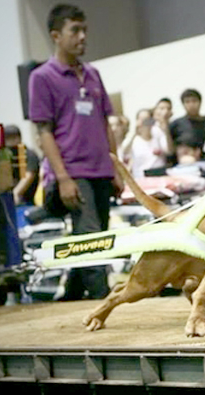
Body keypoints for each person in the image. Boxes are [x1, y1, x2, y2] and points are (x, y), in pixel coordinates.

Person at [28, 4, 122, 301]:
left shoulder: (93, 74)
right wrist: (63, 178)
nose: (82, 37)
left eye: (85, 30)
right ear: (56, 35)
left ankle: (69, 298)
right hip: (73, 173)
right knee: (92, 242)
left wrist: (116, 169)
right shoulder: (42, 77)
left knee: (96, 238)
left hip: (101, 171)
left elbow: (105, 124)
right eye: (75, 31)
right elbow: (44, 132)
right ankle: (104, 302)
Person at [169, 88, 205, 158]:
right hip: (185, 161)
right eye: (187, 102)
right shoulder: (176, 124)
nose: (191, 105)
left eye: (194, 101)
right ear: (183, 104)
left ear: (200, 102)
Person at [5, 125, 40, 206]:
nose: (10, 141)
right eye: (7, 138)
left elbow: (29, 176)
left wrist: (16, 193)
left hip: (27, 200)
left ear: (19, 138)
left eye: (13, 138)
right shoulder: (5, 155)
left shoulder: (28, 154)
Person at [127, 108, 167, 178]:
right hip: (141, 177)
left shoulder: (158, 132)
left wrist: (165, 129)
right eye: (141, 119)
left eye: (147, 119)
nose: (144, 122)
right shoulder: (133, 139)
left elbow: (168, 150)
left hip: (160, 173)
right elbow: (125, 153)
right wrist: (135, 133)